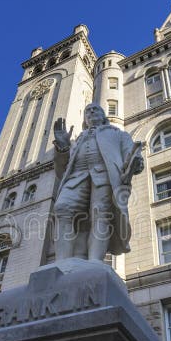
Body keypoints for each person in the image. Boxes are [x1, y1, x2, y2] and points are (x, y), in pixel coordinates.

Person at [52, 103, 144, 261]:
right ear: (85, 119)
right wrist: (62, 148)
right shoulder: (78, 139)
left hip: (104, 177)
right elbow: (62, 170)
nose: (91, 111)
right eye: (87, 110)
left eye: (96, 109)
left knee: (100, 214)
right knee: (62, 209)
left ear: (104, 116)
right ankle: (61, 262)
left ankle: (94, 261)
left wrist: (135, 162)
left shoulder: (118, 134)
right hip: (76, 179)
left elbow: (132, 156)